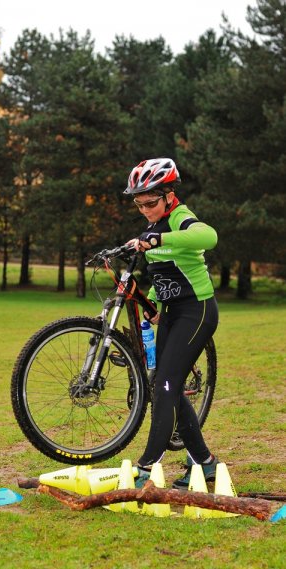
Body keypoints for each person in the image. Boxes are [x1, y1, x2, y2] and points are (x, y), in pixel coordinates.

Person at [124, 157, 219, 488]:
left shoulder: (180, 217)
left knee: (164, 384)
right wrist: (152, 305)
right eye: (139, 205)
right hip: (171, 314)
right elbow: (162, 276)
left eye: (151, 203)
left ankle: (147, 467)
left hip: (197, 311)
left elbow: (208, 237)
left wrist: (162, 241)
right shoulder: (150, 229)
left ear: (168, 195)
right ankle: (206, 464)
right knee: (169, 387)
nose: (146, 210)